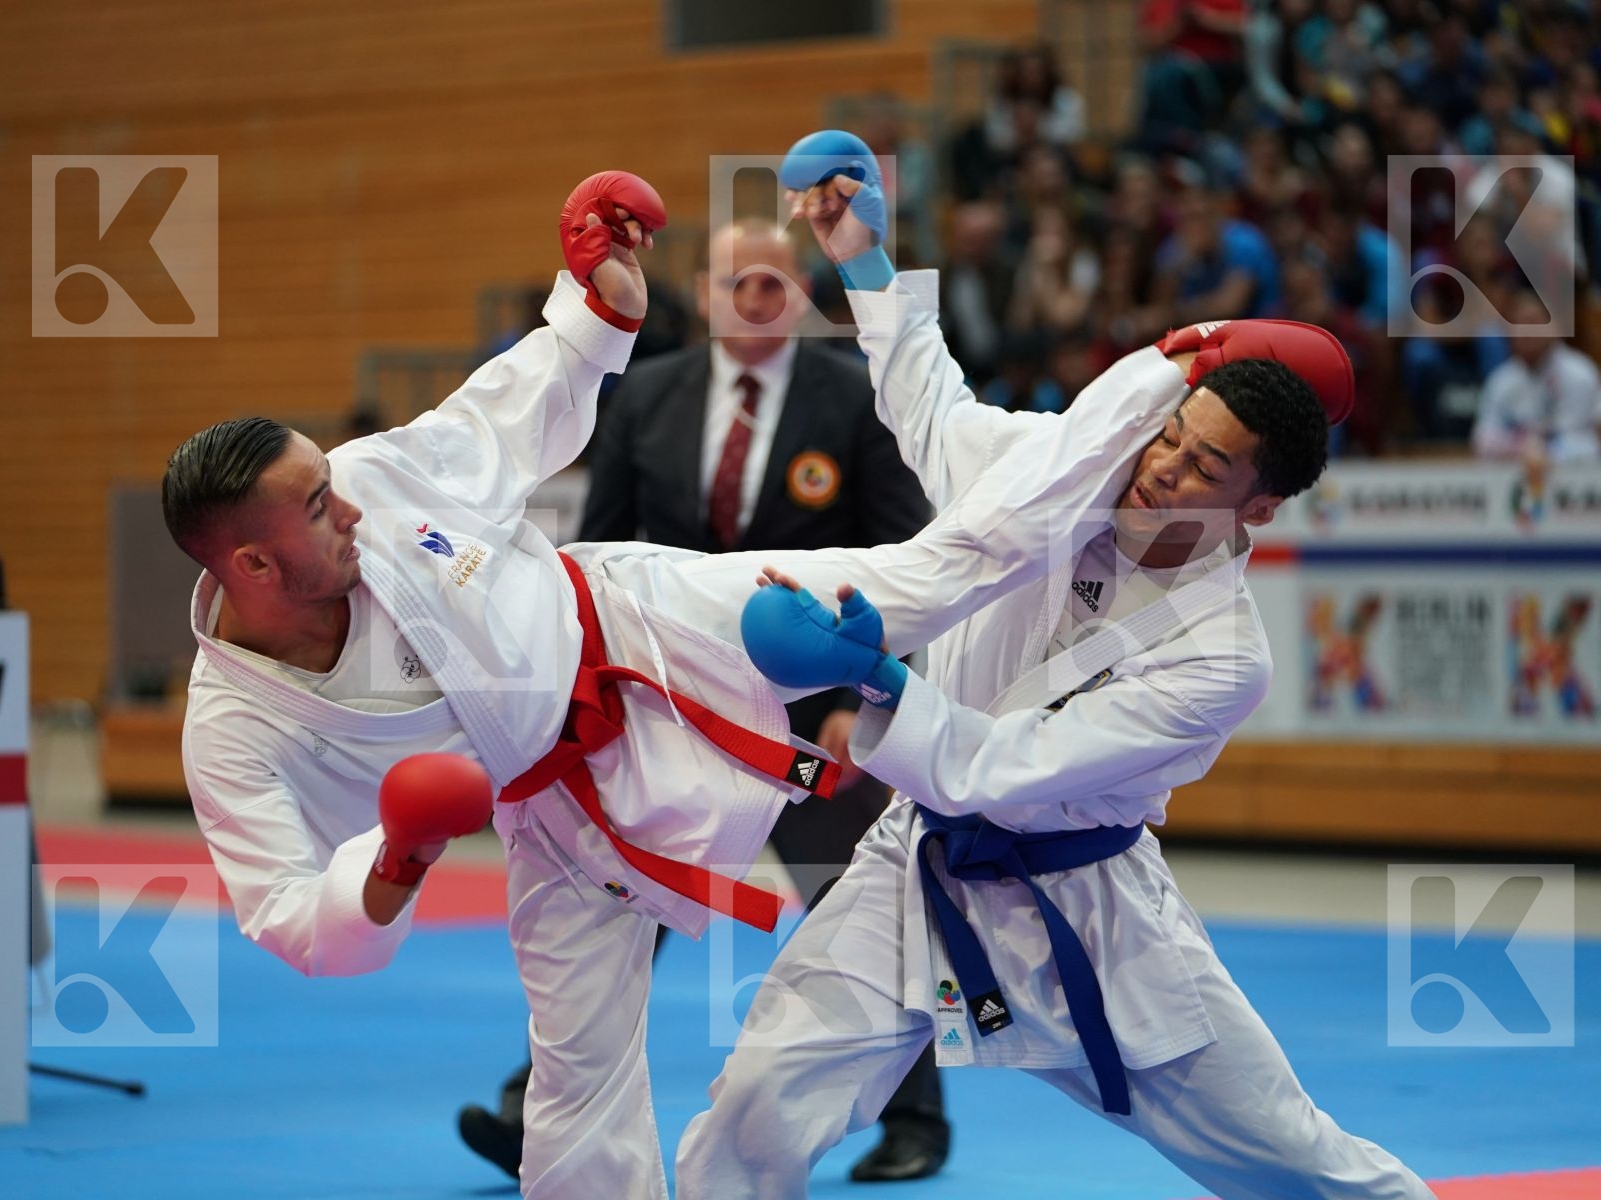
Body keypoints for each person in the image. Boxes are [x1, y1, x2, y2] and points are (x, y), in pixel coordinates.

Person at [166, 169, 1162, 1200]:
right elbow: (284, 910)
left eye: (332, 485)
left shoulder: (368, 479)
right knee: (578, 1077)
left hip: (646, 623)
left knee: (926, 577)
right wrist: (394, 863)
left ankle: (1139, 429)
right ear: (249, 567)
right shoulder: (234, 727)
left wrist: (598, 313)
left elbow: (496, 420)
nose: (350, 505)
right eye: (319, 506)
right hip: (559, 811)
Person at [674, 130, 1432, 1200]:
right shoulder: (1061, 475)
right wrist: (865, 265)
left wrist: (881, 679)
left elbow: (1005, 770)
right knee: (754, 1105)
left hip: (1089, 911)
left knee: (1298, 1161)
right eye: (1174, 435)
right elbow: (932, 413)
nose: (1165, 465)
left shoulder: (1221, 658)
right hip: (916, 872)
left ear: (1256, 508)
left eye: (1205, 466)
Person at [456, 219, 951, 1185]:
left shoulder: (853, 403)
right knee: (619, 896)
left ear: (801, 291)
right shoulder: (646, 396)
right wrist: (579, 708)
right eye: (736, 282)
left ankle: (917, 1120)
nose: (754, 299)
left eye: (773, 283)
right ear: (705, 286)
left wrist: (873, 701)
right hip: (669, 710)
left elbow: (903, 566)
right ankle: (537, 1106)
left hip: (820, 717)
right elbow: (587, 566)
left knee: (864, 907)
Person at [1471, 290, 1601, 461]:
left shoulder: (1579, 374)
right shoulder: (1501, 380)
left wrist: (1538, 448)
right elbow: (1482, 440)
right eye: (1517, 324)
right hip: (1514, 477)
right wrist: (1523, 447)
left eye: (1533, 322)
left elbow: (1586, 442)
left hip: (1575, 477)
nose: (1525, 331)